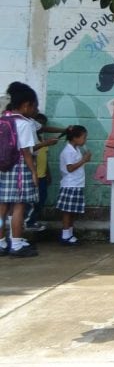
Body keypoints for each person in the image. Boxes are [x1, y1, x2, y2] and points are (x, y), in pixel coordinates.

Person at [0, 82, 40, 257]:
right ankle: (16, 244)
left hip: (2, 167)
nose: (34, 110)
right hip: (19, 169)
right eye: (34, 106)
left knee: (1, 207)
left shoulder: (2, 119)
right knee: (18, 206)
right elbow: (26, 152)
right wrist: (33, 172)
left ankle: (1, 243)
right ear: (25, 105)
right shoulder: (23, 124)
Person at [26, 112, 65, 233]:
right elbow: (31, 155)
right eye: (39, 124)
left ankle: (32, 220)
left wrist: (48, 173)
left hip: (42, 175)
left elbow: (44, 157)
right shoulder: (31, 141)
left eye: (43, 125)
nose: (40, 127)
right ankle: (29, 222)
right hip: (34, 175)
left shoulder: (41, 139)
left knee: (42, 198)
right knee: (33, 201)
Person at [56, 126, 91, 246]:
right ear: (75, 138)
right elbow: (70, 168)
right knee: (67, 211)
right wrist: (84, 160)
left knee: (72, 211)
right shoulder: (68, 151)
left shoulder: (76, 149)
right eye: (83, 137)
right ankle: (65, 235)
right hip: (70, 184)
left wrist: (84, 159)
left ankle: (69, 233)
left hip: (76, 184)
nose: (85, 140)